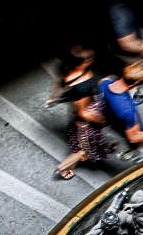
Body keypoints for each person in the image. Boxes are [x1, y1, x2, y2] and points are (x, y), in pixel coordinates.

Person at [48, 44, 116, 178]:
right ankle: (63, 168)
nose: (92, 60)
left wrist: (53, 98)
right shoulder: (82, 85)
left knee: (82, 147)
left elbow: (58, 86)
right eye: (90, 59)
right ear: (82, 63)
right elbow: (83, 112)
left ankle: (68, 167)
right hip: (86, 123)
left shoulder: (65, 71)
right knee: (83, 152)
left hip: (77, 117)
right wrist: (103, 119)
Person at [99, 60, 143, 160]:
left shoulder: (107, 82)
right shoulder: (127, 110)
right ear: (136, 83)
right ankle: (135, 153)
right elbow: (133, 137)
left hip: (110, 113)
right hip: (121, 122)